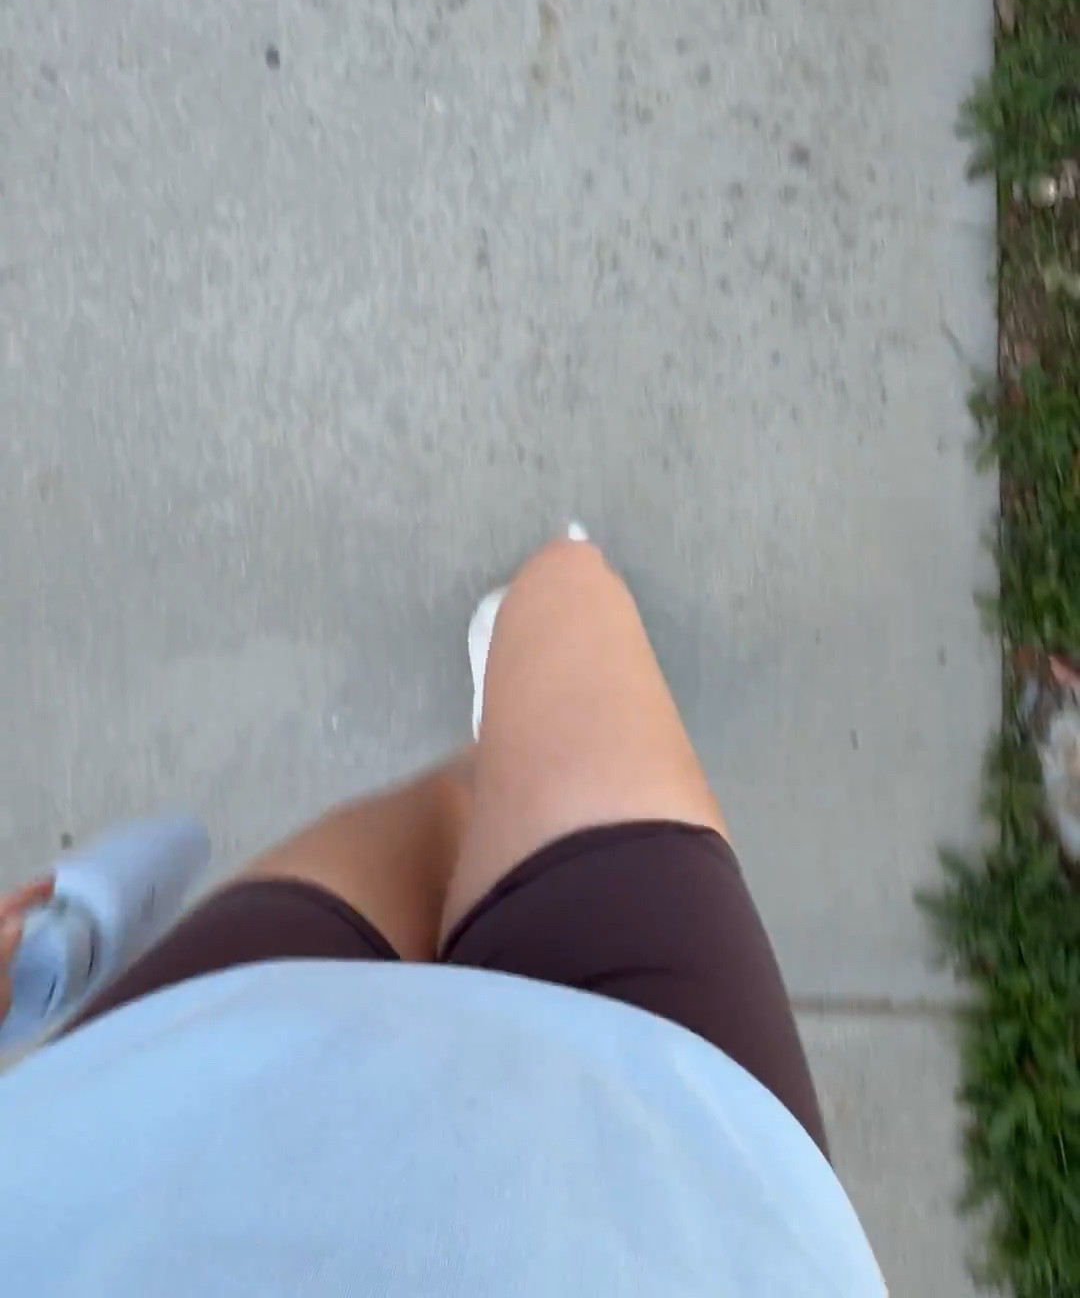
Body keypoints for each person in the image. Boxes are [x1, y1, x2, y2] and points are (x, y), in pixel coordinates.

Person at [0, 533, 885, 1295]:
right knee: (566, 597)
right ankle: (499, 745)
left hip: (160, 1156)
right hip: (682, 1205)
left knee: (447, 805)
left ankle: (492, 764)